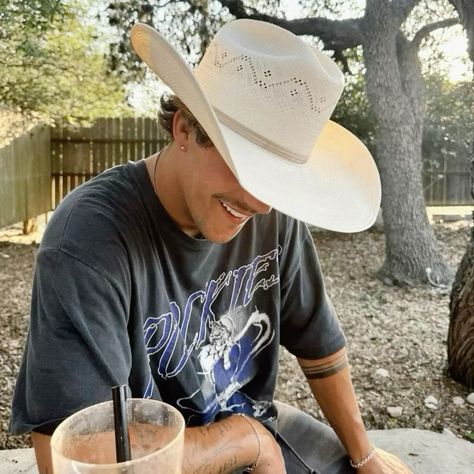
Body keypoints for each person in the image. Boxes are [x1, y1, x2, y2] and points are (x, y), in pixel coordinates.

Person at [10, 19, 412, 473]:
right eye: (248, 170)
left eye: (278, 182)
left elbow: (320, 345)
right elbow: (70, 456)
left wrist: (365, 454)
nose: (260, 203)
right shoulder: (89, 239)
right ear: (184, 128)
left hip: (256, 428)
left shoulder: (270, 212)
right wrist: (242, 442)